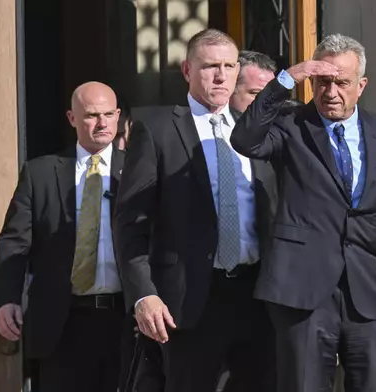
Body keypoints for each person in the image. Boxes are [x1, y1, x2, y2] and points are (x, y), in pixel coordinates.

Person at [230, 34, 376, 392]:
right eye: (322, 81)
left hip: (372, 291)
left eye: (342, 82)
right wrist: (288, 77)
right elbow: (245, 140)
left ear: (361, 85)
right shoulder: (291, 126)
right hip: (303, 292)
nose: (331, 92)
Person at [114, 28, 277, 392]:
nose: (220, 76)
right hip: (189, 302)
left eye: (228, 66)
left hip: (258, 296)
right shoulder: (157, 129)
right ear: (188, 70)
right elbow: (130, 222)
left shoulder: (259, 133)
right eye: (209, 67)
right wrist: (143, 293)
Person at [0, 82, 127, 392]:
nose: (102, 123)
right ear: (72, 118)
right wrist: (7, 299)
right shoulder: (40, 174)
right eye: (92, 115)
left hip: (126, 318)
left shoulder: (140, 170)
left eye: (109, 114)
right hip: (62, 322)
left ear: (118, 115)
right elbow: (14, 241)